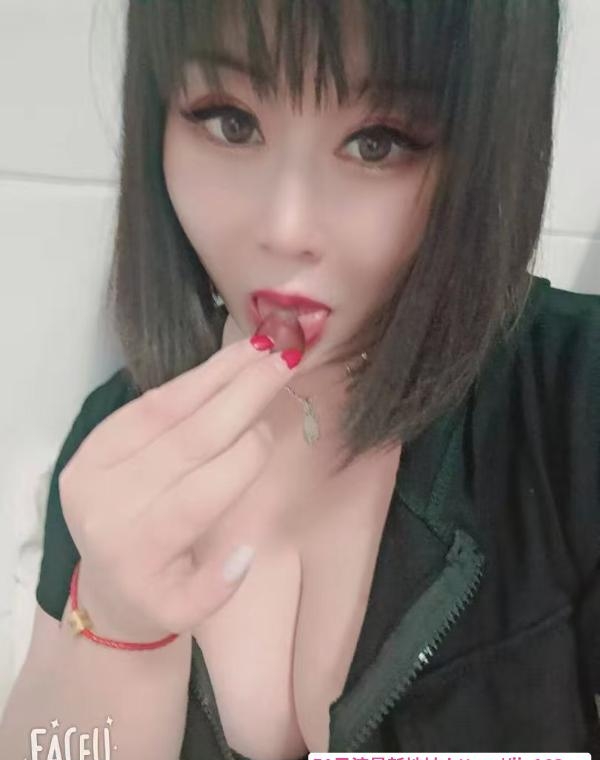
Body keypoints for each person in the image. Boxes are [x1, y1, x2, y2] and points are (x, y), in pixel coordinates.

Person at [1, 0, 599, 757]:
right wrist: (118, 625)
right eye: (230, 122)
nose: (285, 229)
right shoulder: (120, 440)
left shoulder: (573, 395)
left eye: (378, 143)